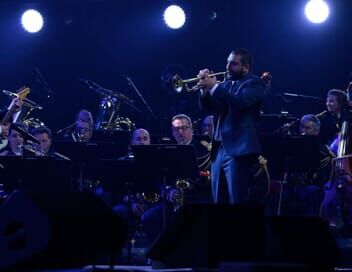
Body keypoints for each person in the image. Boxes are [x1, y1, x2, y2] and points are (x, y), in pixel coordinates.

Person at [198, 48, 265, 204]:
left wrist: (214, 87)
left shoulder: (255, 83)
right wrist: (204, 91)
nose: (228, 67)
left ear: (246, 67)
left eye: (233, 64)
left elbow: (240, 103)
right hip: (218, 149)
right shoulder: (225, 85)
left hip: (238, 149)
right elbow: (207, 109)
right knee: (218, 201)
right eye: (228, 62)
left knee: (236, 201)